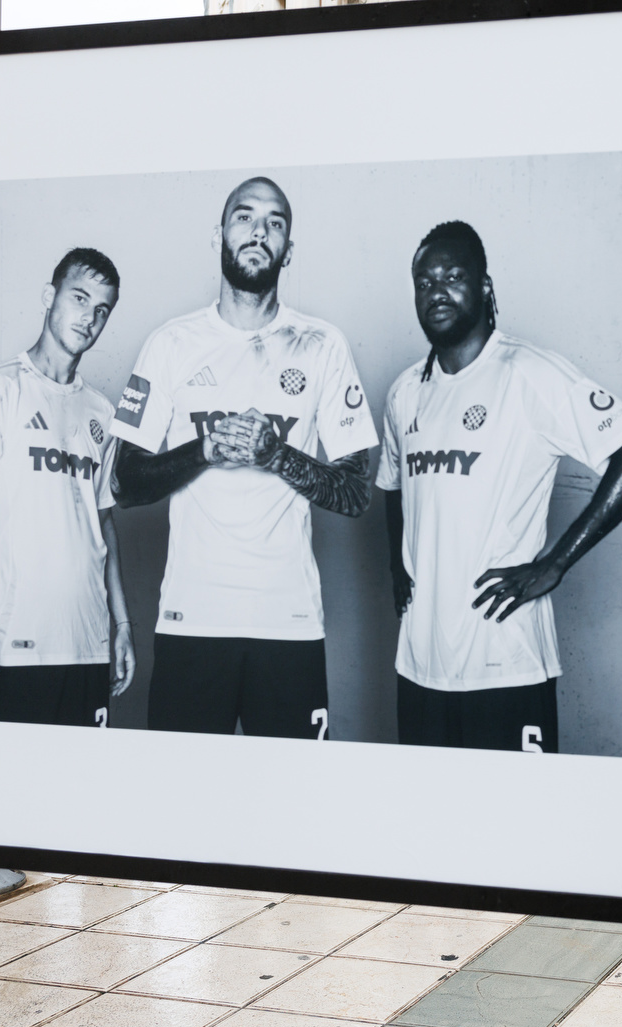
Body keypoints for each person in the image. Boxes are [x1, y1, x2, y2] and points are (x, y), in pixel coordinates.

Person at [110, 177, 377, 739]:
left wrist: (276, 455)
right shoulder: (171, 344)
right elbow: (124, 480)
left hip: (289, 626)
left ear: (289, 249)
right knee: (184, 810)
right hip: (190, 623)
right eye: (245, 217)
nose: (259, 231)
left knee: (288, 809)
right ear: (219, 234)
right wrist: (206, 449)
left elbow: (357, 491)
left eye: (275, 222)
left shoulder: (321, 345)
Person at [378, 221, 622, 752]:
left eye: (453, 276)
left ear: (484, 287)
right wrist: (397, 565)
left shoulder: (529, 374)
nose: (438, 291)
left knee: (515, 827)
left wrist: (555, 562)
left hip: (506, 661)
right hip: (419, 661)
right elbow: (392, 483)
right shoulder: (405, 391)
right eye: (425, 281)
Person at [0, 248, 135, 726]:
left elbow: (103, 525)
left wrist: (121, 624)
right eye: (79, 298)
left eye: (102, 310)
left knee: (80, 795)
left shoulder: (102, 412)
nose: (89, 318)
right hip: (14, 650)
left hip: (89, 649)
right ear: (50, 297)